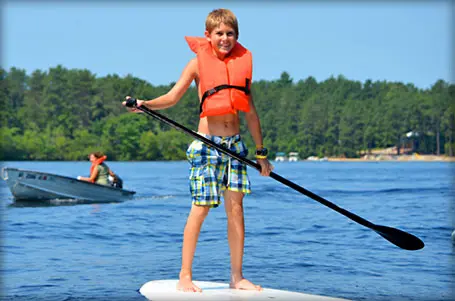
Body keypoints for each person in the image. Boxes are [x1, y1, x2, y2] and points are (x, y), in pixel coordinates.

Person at [123, 8, 273, 293]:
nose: (225, 39)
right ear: (208, 35)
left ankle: (237, 277)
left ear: (236, 36)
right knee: (201, 209)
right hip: (207, 145)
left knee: (236, 210)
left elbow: (251, 114)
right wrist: (145, 104)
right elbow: (172, 97)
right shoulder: (196, 64)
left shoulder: (242, 65)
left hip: (236, 147)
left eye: (230, 34)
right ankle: (184, 275)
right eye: (219, 34)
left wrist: (261, 153)